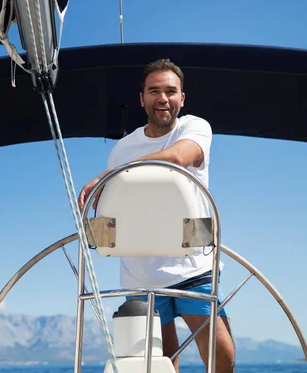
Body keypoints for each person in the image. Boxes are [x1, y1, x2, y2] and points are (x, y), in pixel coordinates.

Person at [77, 59, 235, 373]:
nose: (162, 98)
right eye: (154, 91)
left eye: (170, 91)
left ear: (182, 98)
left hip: (195, 265)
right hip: (141, 276)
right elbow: (110, 210)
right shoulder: (122, 149)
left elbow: (178, 158)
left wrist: (107, 176)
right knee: (161, 366)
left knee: (223, 359)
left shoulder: (195, 127)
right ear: (142, 99)